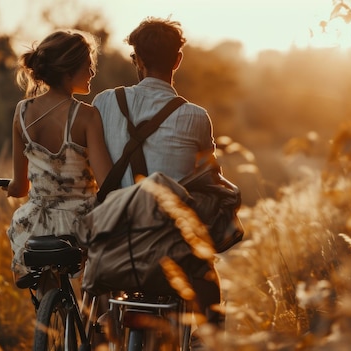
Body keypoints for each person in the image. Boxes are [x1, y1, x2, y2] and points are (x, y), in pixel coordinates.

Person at [91, 17, 221, 325]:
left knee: (96, 311)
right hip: (171, 250)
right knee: (210, 283)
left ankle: (96, 333)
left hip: (113, 244)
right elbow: (209, 180)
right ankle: (206, 341)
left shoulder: (104, 102)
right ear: (178, 60)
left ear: (136, 59)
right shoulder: (196, 117)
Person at [5, 29, 112, 283]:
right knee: (103, 283)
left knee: (46, 285)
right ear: (67, 70)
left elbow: (21, 187)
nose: (93, 73)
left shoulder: (22, 112)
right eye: (88, 66)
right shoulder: (86, 115)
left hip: (37, 224)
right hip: (81, 224)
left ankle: (47, 310)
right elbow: (107, 182)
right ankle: (100, 314)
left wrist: (10, 187)